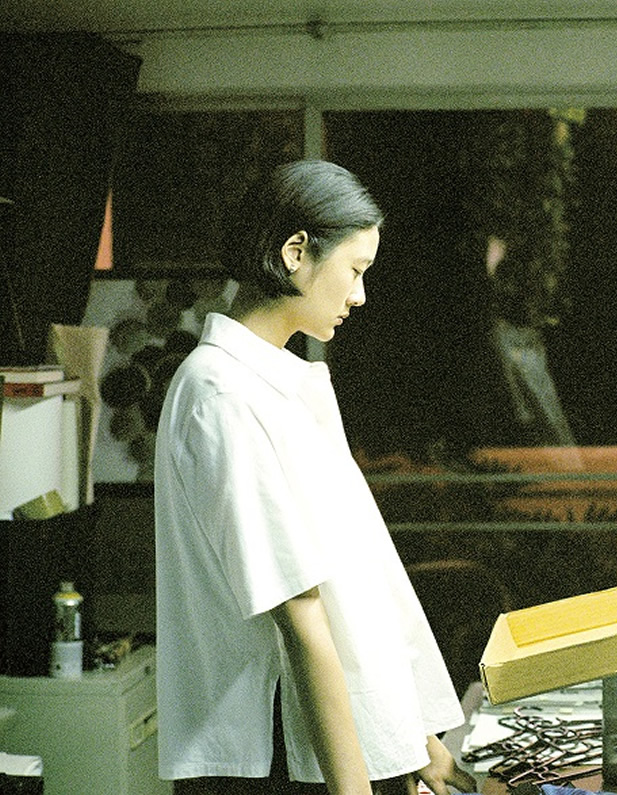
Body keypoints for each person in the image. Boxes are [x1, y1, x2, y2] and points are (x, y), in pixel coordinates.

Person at [154, 160, 476, 795]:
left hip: (318, 741)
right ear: (296, 253)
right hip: (275, 753)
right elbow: (302, 619)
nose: (360, 295)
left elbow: (352, 588)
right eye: (355, 270)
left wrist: (414, 738)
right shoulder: (223, 396)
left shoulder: (270, 385)